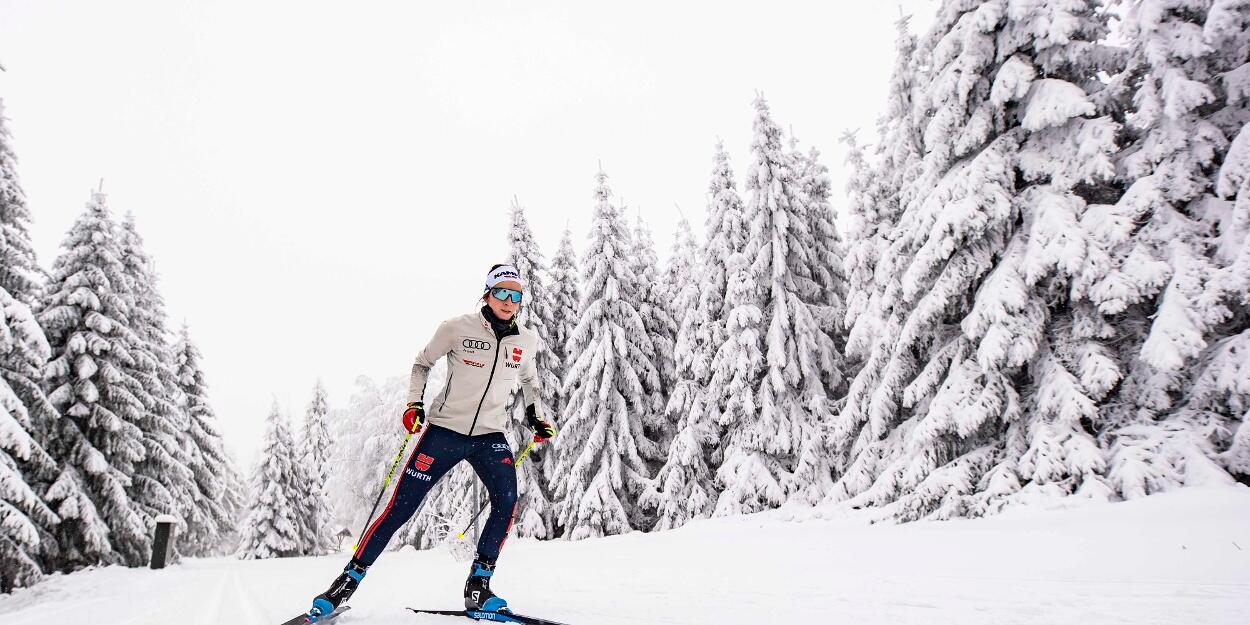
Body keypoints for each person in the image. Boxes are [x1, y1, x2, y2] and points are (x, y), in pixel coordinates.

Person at [307, 263, 558, 619]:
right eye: (501, 292)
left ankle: (478, 588)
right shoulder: (457, 328)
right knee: (401, 508)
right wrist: (414, 403)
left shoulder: (526, 341)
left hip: (489, 435)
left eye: (516, 295)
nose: (508, 300)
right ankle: (344, 584)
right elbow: (422, 363)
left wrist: (535, 417)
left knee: (506, 502)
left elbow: (530, 380)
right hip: (444, 432)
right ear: (487, 294)